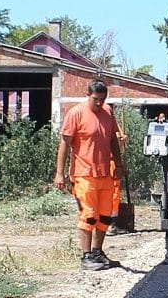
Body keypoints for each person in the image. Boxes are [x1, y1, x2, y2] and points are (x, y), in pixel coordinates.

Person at [53, 80, 127, 271]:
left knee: (104, 216)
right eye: (96, 99)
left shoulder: (108, 112)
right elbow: (64, 144)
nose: (99, 103)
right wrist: (59, 173)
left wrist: (118, 164)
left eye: (102, 99)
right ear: (88, 95)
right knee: (89, 215)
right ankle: (86, 256)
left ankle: (97, 252)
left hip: (105, 174)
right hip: (83, 174)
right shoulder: (76, 113)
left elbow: (112, 140)